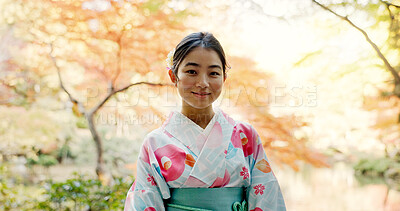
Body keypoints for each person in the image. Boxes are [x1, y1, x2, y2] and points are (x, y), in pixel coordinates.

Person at [124, 32, 286, 211]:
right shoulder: (154, 143)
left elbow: (266, 198)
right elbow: (145, 203)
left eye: (213, 73)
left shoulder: (245, 136)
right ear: (173, 76)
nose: (203, 82)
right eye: (192, 72)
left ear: (224, 78)